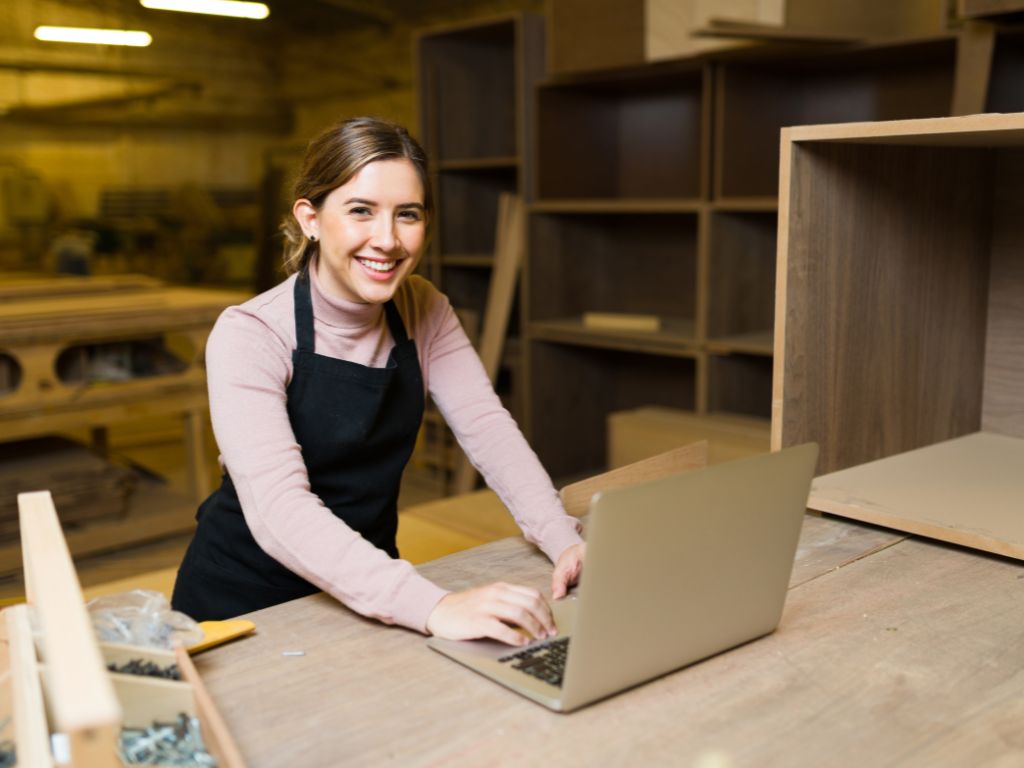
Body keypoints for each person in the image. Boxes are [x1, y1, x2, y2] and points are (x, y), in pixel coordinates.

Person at [171, 116, 586, 646]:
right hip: (245, 606)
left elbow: (487, 428)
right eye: (361, 211)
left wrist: (561, 538)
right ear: (311, 218)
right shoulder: (250, 333)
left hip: (367, 590)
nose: (387, 241)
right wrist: (433, 604)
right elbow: (280, 510)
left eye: (407, 215)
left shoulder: (424, 307)